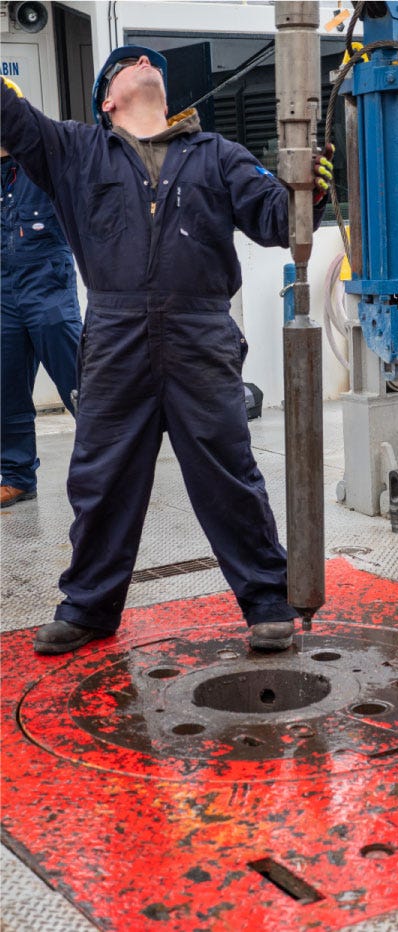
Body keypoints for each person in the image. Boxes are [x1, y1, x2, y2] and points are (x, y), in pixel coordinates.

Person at [1, 47, 333, 656]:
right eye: (128, 63)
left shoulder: (219, 156)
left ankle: (265, 600)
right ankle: (89, 608)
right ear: (108, 99)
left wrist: (305, 190)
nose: (143, 62)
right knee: (102, 477)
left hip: (200, 332)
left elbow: (273, 221)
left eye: (150, 61)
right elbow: (11, 117)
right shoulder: (75, 151)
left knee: (227, 471)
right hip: (115, 334)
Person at [1, 82, 82, 509]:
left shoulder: (45, 163)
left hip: (47, 286)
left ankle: (115, 465)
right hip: (2, 294)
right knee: (6, 387)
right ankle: (16, 476)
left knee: (80, 382)